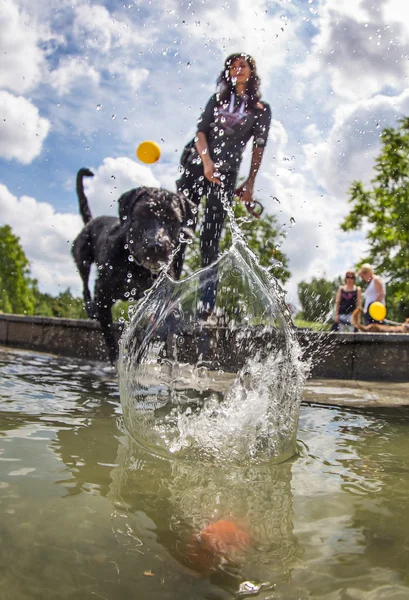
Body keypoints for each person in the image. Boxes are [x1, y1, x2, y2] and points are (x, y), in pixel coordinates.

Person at [175, 53, 271, 318]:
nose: (237, 69)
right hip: (196, 166)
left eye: (242, 65)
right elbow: (200, 133)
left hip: (226, 175)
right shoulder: (216, 100)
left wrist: (249, 183)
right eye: (232, 66)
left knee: (211, 238)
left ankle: (205, 306)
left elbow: (258, 147)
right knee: (182, 231)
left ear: (252, 71)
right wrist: (206, 163)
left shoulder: (260, 109)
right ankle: (166, 301)